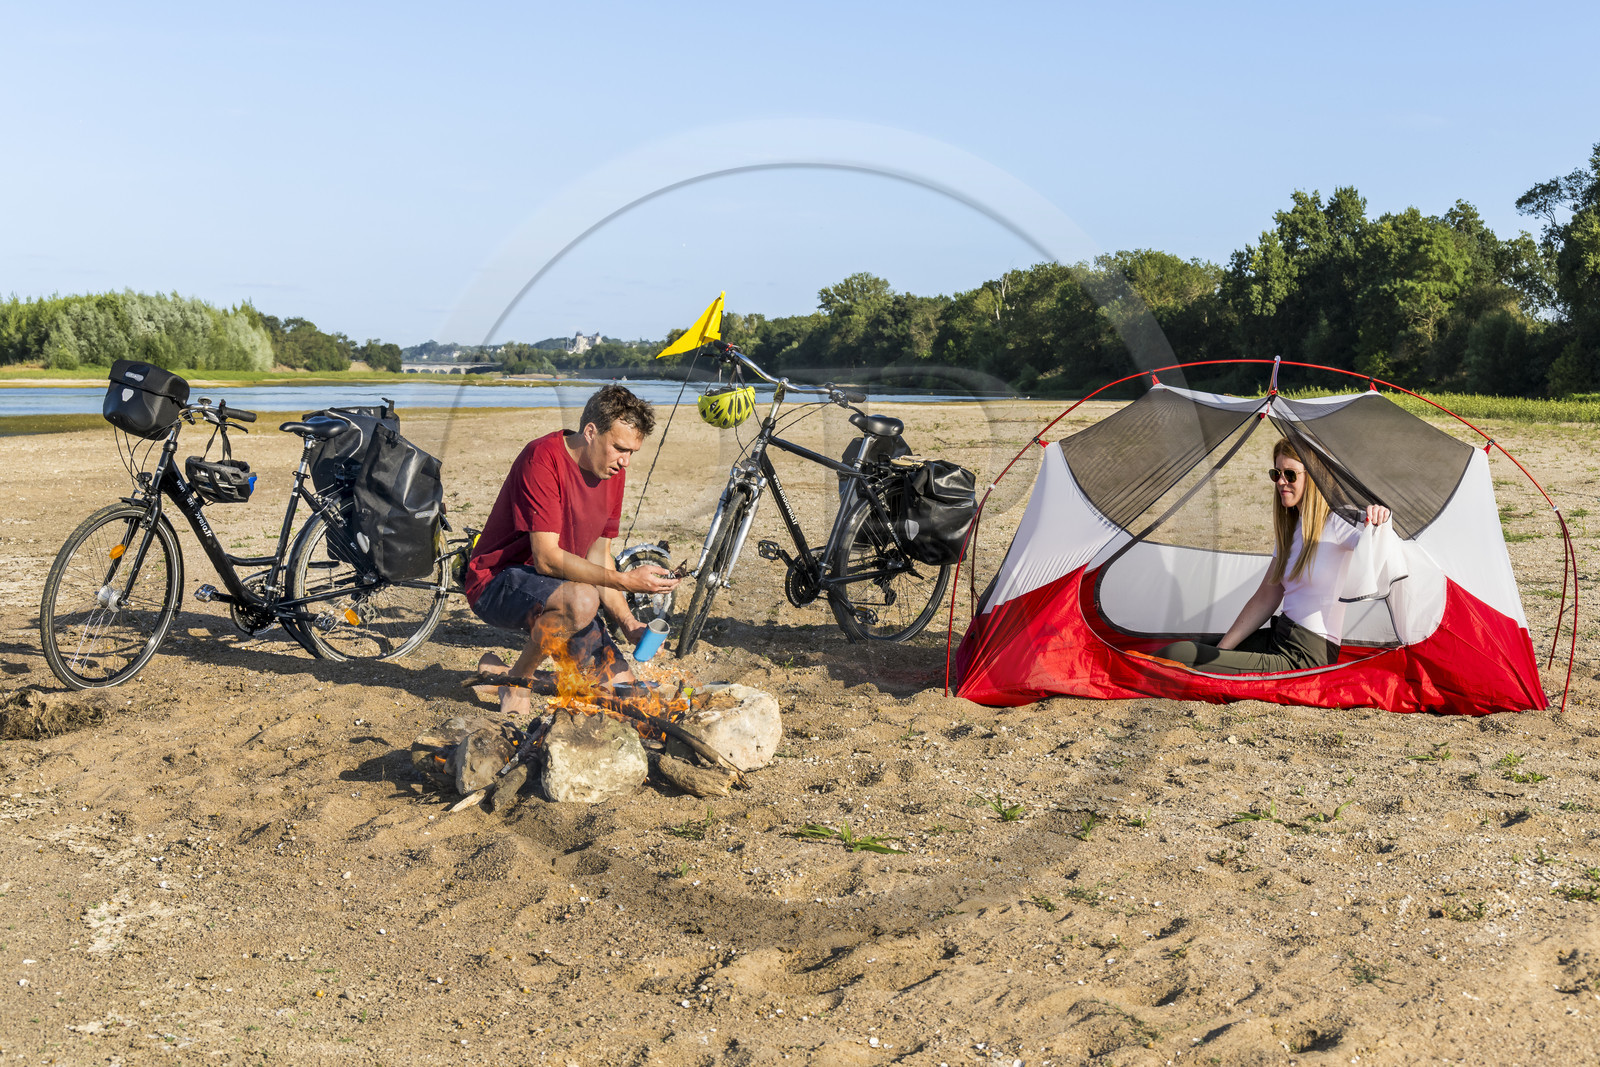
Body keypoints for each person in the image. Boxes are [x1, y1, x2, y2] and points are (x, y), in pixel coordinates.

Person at [463, 384, 679, 712]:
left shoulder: (612, 473)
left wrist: (629, 624)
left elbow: (599, 556)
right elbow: (547, 559)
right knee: (582, 599)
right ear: (590, 432)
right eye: (620, 448)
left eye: (632, 452)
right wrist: (627, 581)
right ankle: (517, 683)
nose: (626, 462)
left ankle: (496, 672)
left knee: (620, 688)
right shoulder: (542, 457)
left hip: (563, 591)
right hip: (496, 582)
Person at [1154, 437, 1391, 675]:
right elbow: (1266, 596)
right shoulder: (1291, 528)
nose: (1281, 481)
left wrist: (1379, 520)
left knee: (1178, 656)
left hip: (1307, 655)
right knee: (1186, 649)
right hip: (1280, 638)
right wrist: (1222, 650)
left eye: (1290, 474)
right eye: (1276, 473)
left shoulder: (1339, 522)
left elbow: (1380, 549)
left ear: (1314, 476)